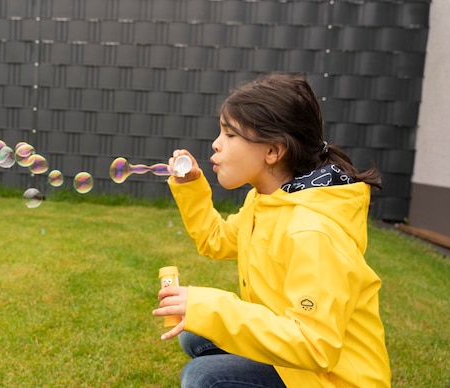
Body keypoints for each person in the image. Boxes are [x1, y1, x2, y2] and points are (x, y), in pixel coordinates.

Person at [152, 73, 391, 387]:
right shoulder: (266, 202)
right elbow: (217, 240)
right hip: (297, 362)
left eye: (230, 134)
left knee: (202, 378)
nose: (216, 144)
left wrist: (212, 307)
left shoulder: (313, 232)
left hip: (330, 378)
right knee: (195, 334)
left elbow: (315, 346)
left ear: (273, 152)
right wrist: (192, 188)